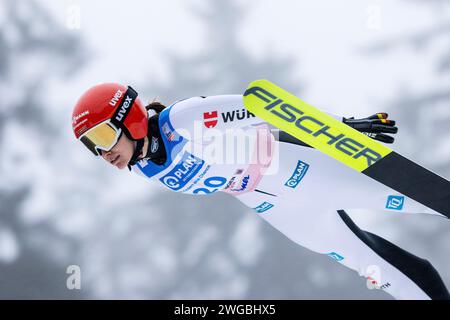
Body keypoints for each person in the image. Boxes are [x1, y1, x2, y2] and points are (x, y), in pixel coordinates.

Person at [72, 82, 450, 300]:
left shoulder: (182, 120)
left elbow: (263, 109)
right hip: (281, 210)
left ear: (130, 116)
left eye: (104, 135)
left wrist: (344, 127)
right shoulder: (143, 166)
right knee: (380, 269)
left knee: (430, 202)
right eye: (92, 145)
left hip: (303, 170)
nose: (103, 153)